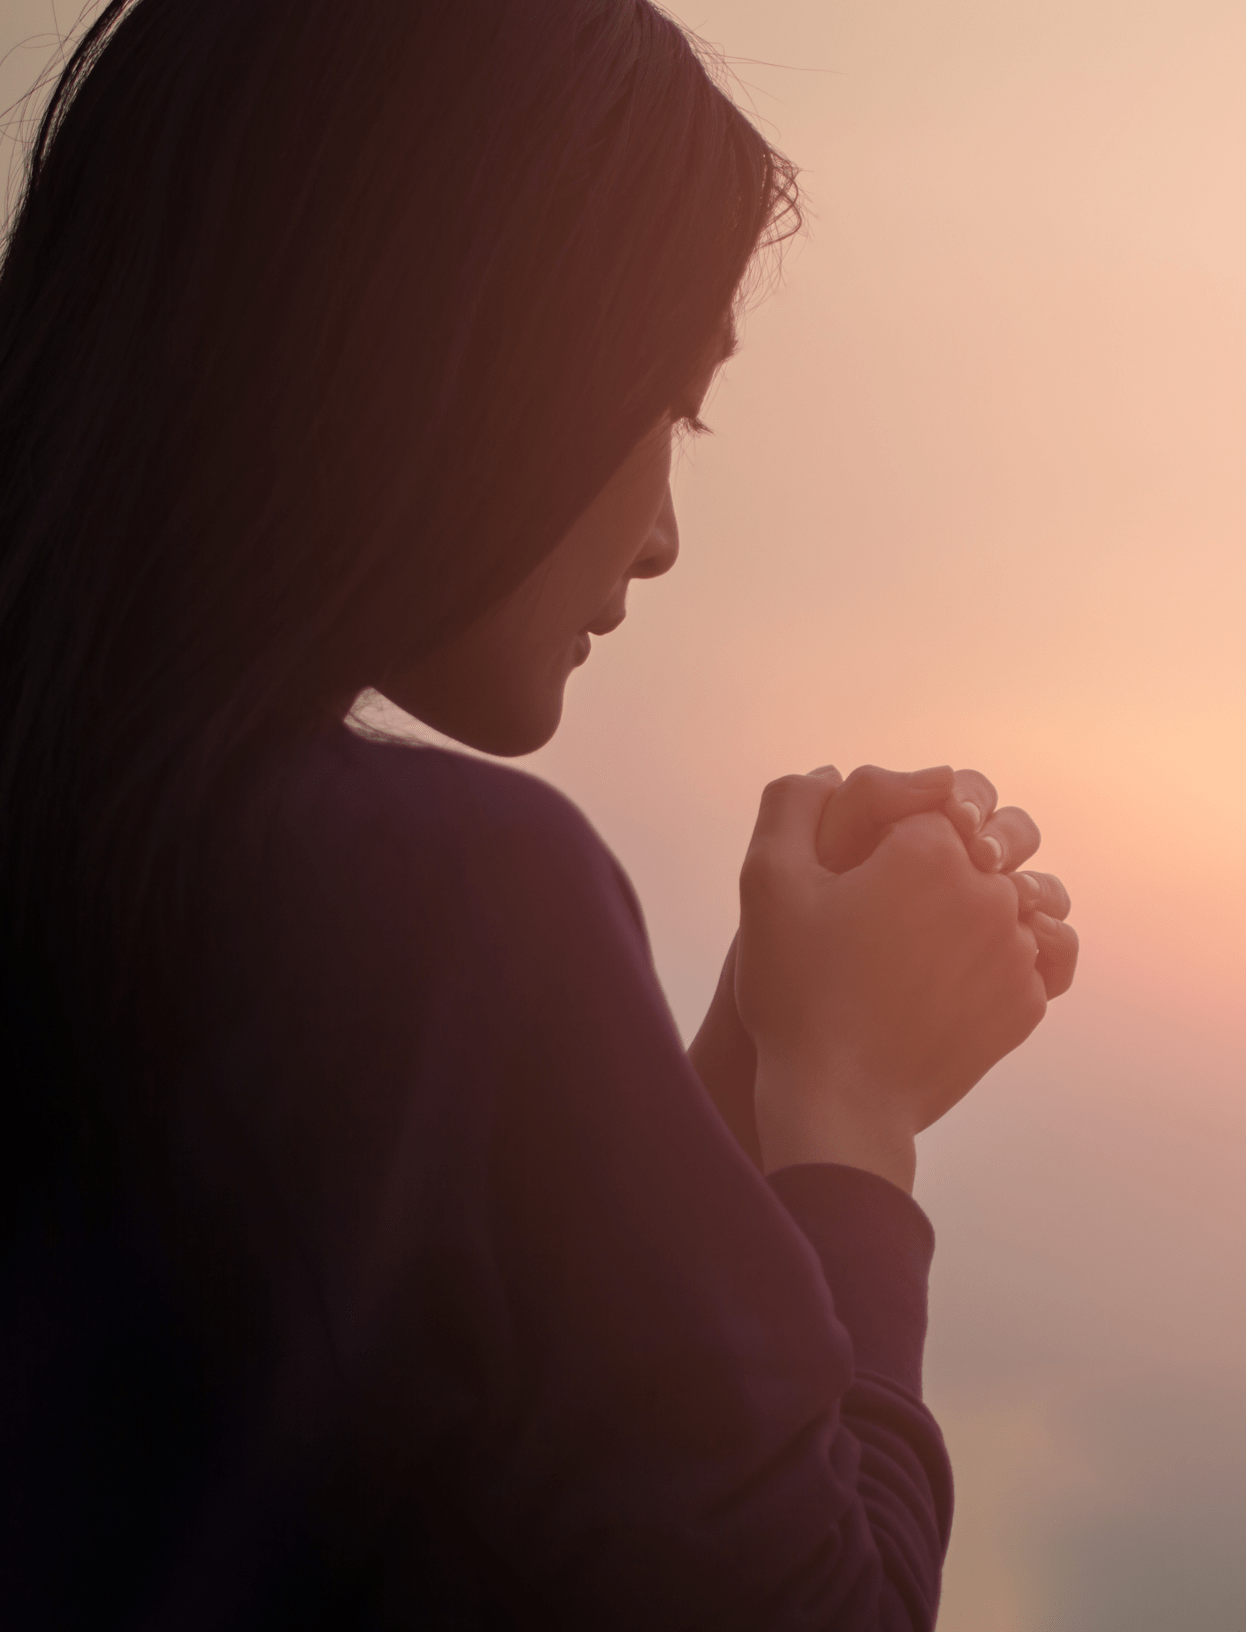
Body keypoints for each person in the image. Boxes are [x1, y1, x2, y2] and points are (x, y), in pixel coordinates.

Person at [0, 1, 1077, 1627]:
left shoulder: (121, 861)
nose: (657, 539)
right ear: (467, 348)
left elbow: (512, 1422)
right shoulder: (441, 905)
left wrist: (732, 1061)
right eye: (669, 399)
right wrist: (852, 1116)